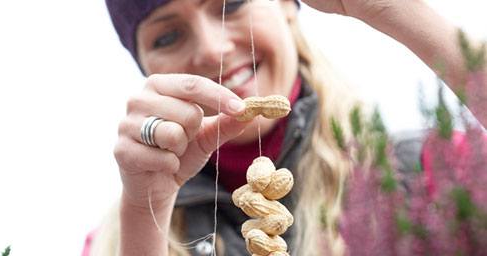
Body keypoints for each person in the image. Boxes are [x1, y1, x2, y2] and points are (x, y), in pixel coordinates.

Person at [83, 0, 487, 255]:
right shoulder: (114, 239)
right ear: (145, 68)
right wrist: (144, 214)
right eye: (168, 36)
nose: (211, 49)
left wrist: (393, 10)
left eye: (233, 3)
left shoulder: (429, 172)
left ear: (288, 6)